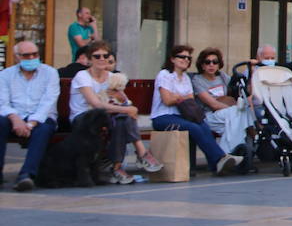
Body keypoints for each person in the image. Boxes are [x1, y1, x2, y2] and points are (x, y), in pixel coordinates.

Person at [69, 42, 162, 183]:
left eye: (105, 56)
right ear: (89, 59)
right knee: (123, 115)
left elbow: (126, 102)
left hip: (106, 117)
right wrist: (127, 109)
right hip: (83, 117)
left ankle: (117, 166)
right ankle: (141, 153)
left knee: (122, 120)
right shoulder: (82, 76)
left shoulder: (112, 77)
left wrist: (122, 100)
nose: (102, 59)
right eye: (97, 56)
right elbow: (96, 104)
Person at [152, 44, 241, 176]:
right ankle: (220, 159)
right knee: (193, 128)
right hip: (163, 117)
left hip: (181, 116)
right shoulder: (165, 74)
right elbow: (167, 100)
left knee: (203, 125)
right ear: (172, 59)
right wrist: (180, 98)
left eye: (188, 58)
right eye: (181, 57)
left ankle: (215, 164)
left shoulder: (186, 78)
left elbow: (189, 101)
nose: (186, 60)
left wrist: (177, 97)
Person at [0, 37, 59, 192]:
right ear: (17, 57)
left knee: (43, 129)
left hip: (41, 117)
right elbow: (3, 102)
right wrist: (15, 119)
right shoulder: (6, 75)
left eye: (35, 54)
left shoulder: (50, 73)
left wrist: (31, 123)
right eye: (27, 55)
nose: (32, 58)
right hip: (14, 116)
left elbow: (48, 102)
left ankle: (26, 175)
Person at [191, 47, 255, 156]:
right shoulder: (198, 80)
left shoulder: (222, 76)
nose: (211, 65)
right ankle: (229, 155)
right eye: (207, 62)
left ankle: (226, 157)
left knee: (233, 125)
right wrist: (232, 108)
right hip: (209, 116)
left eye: (215, 62)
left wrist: (252, 71)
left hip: (227, 117)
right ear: (202, 65)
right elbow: (213, 104)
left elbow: (244, 90)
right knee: (238, 115)